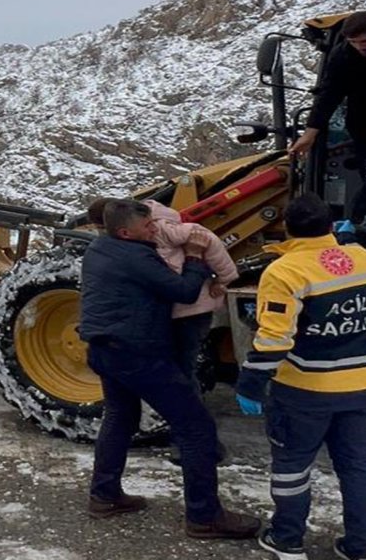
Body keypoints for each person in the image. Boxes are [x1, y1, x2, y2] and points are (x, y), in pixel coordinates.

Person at [80, 198, 260, 540]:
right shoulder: (137, 256)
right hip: (139, 356)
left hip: (104, 350)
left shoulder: (99, 248)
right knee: (196, 428)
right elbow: (185, 291)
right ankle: (205, 517)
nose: (154, 229)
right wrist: (193, 255)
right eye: (147, 227)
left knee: (120, 417)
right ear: (125, 232)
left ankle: (104, 496)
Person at [235, 194, 366, 560]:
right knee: (356, 467)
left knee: (292, 467)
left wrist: (251, 383)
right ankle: (361, 548)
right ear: (331, 227)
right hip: (364, 385)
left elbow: (274, 338)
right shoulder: (365, 259)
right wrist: (345, 241)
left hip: (306, 390)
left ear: (285, 228)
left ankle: (287, 539)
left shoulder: (284, 271)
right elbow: (337, 262)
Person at [144, 200, 239, 392]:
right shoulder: (156, 231)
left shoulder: (163, 228)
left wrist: (225, 278)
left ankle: (188, 408)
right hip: (183, 308)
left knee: (182, 365)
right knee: (181, 362)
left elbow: (205, 238)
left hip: (188, 308)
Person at [290, 11, 366, 160]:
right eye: (353, 42)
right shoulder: (343, 55)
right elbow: (329, 93)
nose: (360, 47)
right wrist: (309, 134)